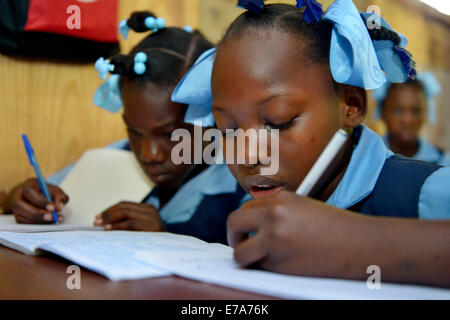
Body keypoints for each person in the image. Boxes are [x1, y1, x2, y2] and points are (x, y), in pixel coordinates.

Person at [172, 1, 450, 287]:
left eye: (279, 122)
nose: (247, 155)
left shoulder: (425, 192)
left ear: (351, 105)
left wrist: (357, 243)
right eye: (228, 130)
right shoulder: (242, 207)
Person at [2, 11, 247, 245]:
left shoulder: (246, 178)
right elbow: (15, 196)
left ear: (214, 117)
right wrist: (22, 198)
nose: (149, 155)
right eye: (135, 132)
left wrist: (165, 237)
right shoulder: (116, 156)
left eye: (171, 135)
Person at [373, 73, 450, 166]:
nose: (408, 120)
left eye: (416, 111)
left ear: (426, 113)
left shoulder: (442, 163)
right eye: (398, 111)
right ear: (382, 112)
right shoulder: (367, 159)